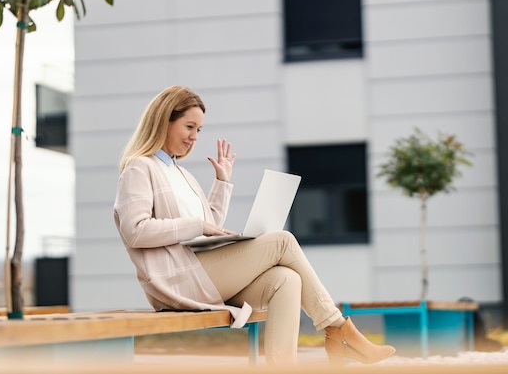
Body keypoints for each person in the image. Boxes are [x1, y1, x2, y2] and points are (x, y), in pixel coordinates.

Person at [113, 85, 396, 365]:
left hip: (202, 272)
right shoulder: (140, 167)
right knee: (282, 240)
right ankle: (338, 330)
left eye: (199, 130)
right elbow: (135, 230)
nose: (194, 137)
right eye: (189, 126)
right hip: (177, 279)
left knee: (287, 279)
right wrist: (197, 225)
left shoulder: (181, 173)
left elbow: (209, 226)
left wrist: (222, 182)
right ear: (165, 120)